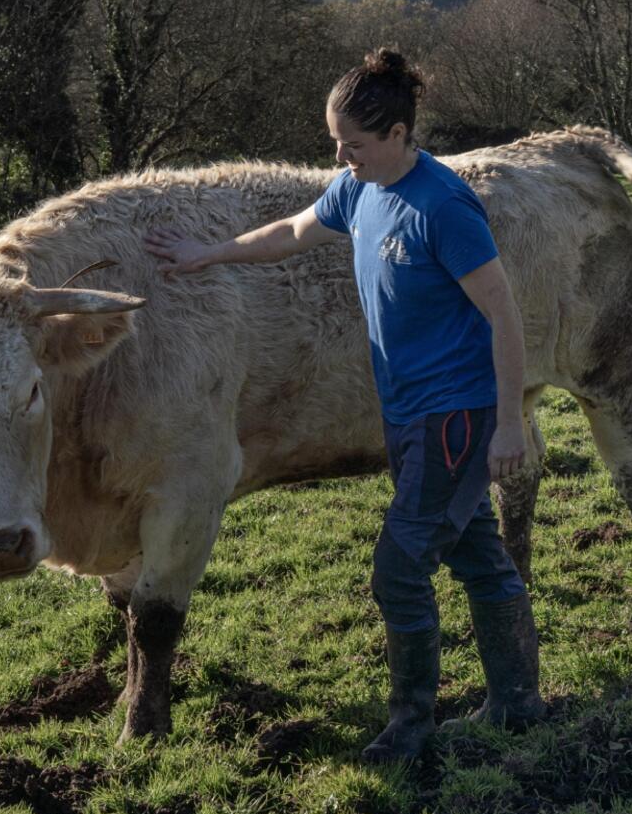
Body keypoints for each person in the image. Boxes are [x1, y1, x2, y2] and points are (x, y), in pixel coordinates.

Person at [142, 50, 544, 761]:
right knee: (479, 554)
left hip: (453, 416)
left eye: (353, 144)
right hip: (408, 415)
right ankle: (517, 703)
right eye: (335, 142)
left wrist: (509, 423)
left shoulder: (443, 206)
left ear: (397, 135)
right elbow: (293, 233)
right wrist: (209, 253)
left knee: (398, 570)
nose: (340, 155)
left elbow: (505, 315)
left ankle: (413, 725)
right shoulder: (360, 189)